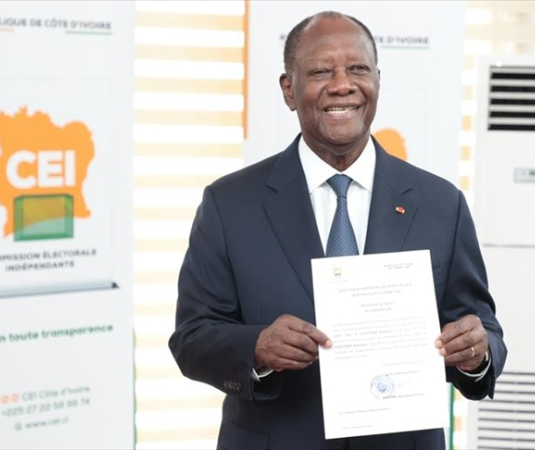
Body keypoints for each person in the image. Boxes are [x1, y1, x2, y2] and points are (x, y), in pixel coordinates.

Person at [169, 11, 506, 450]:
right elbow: (191, 338)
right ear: (289, 89)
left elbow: (483, 330)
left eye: (358, 69)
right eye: (320, 72)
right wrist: (257, 347)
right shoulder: (230, 204)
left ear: (378, 81)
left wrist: (478, 353)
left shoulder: (441, 203)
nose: (342, 85)